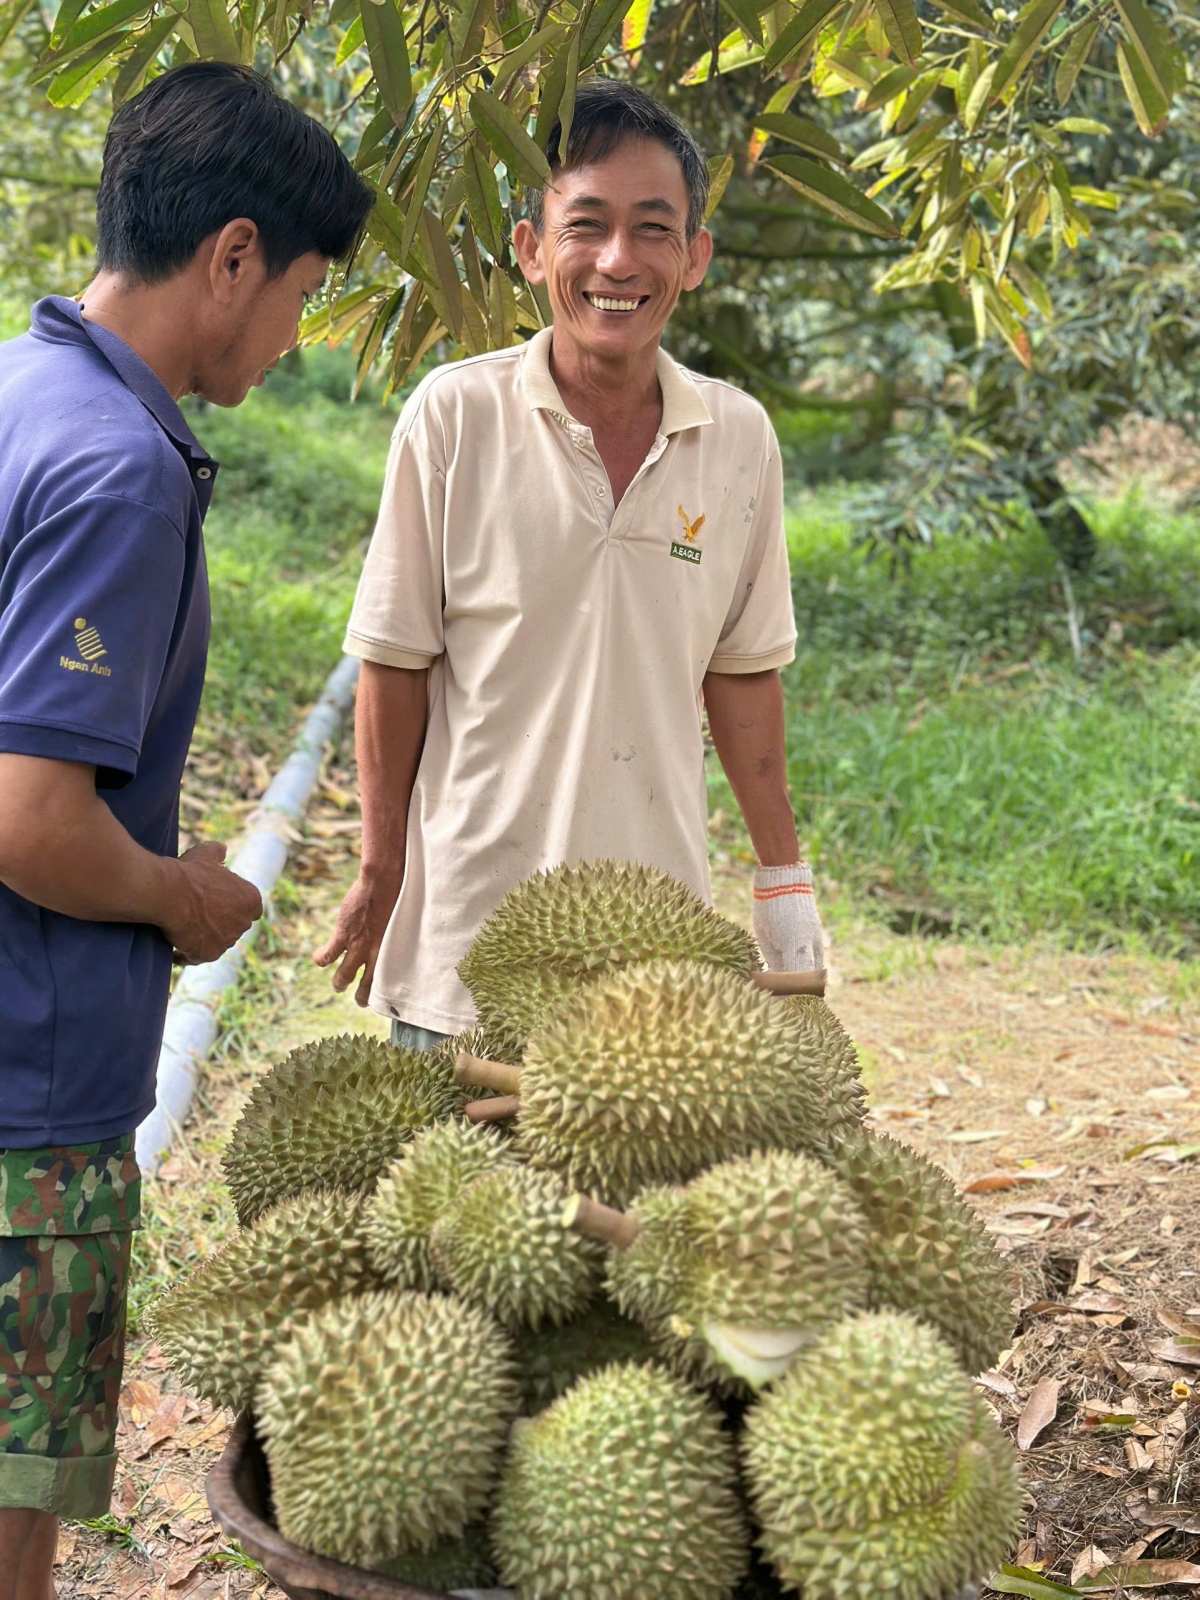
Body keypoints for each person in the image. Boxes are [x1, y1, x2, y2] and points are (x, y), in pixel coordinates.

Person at [0, 62, 372, 1600]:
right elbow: (30, 816)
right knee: (12, 1491)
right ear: (231, 255)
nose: (297, 336)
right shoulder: (119, 472)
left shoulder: (23, 393)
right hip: (28, 1086)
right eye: (301, 292)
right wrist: (185, 899)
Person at [317, 79, 823, 1050]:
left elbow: (744, 674)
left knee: (638, 1207)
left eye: (653, 229)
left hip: (653, 956)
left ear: (696, 257)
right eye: (585, 225)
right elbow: (393, 661)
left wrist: (783, 882)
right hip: (466, 945)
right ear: (531, 249)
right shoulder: (452, 419)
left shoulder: (740, 439)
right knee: (457, 1205)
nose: (617, 261)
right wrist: (383, 867)